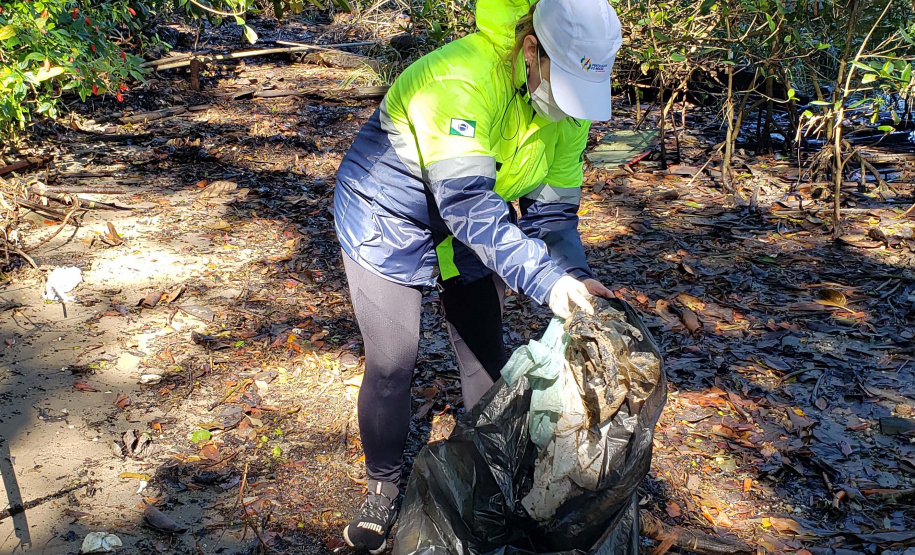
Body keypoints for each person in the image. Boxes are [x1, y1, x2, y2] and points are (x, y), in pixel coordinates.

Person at [332, 0, 622, 551]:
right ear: (531, 50)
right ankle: (382, 487)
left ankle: (485, 471)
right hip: (389, 213)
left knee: (486, 353)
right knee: (394, 362)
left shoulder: (568, 117)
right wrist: (545, 280)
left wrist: (575, 275)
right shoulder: (460, 80)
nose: (569, 109)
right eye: (564, 88)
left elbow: (553, 213)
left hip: (470, 218)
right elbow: (468, 206)